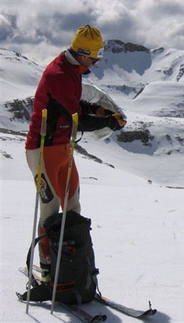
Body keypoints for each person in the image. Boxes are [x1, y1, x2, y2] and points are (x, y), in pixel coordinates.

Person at [25, 25, 126, 282]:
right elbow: (75, 120)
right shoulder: (59, 74)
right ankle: (48, 266)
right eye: (94, 56)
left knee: (72, 204)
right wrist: (109, 123)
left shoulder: (72, 71)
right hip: (42, 150)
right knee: (50, 208)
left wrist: (100, 111)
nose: (96, 61)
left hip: (62, 149)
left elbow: (72, 102)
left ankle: (70, 259)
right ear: (82, 53)